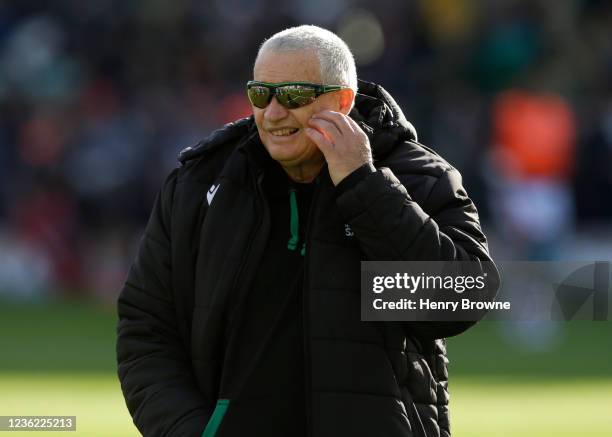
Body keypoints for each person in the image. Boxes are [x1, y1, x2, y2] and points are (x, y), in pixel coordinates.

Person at [116, 25, 495, 437]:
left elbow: (458, 302)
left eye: (293, 96)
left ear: (343, 101)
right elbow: (147, 329)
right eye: (261, 94)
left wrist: (362, 186)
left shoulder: (420, 179)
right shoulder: (203, 183)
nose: (273, 113)